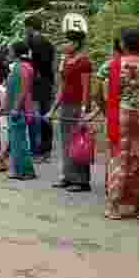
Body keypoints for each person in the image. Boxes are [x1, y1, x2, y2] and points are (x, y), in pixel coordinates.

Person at [103, 29, 139, 220]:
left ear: (124, 45)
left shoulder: (117, 64)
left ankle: (114, 205)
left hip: (125, 113)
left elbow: (113, 92)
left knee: (121, 157)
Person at [49, 31, 93, 192]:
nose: (63, 45)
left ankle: (81, 180)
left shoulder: (84, 62)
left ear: (75, 44)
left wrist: (84, 110)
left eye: (66, 42)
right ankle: (68, 176)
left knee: (78, 143)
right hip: (66, 106)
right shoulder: (66, 61)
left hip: (77, 106)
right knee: (66, 142)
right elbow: (62, 86)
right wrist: (54, 108)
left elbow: (86, 88)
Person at [6, 42, 38, 180]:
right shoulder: (18, 66)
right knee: (15, 139)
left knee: (20, 140)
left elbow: (24, 89)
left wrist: (16, 108)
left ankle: (26, 170)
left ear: (16, 52)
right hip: (14, 107)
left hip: (20, 110)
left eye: (10, 50)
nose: (9, 53)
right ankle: (18, 169)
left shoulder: (23, 67)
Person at [25, 25, 57, 160]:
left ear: (30, 28)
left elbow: (33, 64)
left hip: (37, 83)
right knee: (46, 115)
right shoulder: (49, 44)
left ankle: (37, 149)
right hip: (47, 82)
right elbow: (53, 65)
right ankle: (46, 149)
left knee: (35, 116)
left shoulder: (32, 43)